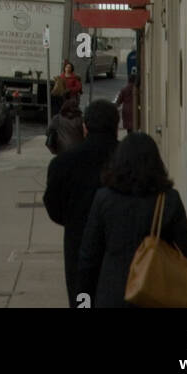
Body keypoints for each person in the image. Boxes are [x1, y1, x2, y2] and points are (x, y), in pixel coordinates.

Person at [75, 131, 187, 308]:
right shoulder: (168, 199)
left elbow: (88, 259)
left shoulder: (103, 199)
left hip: (112, 295)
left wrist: (82, 302)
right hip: (156, 295)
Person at [43, 98, 120, 308]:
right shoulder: (130, 159)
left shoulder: (63, 164)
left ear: (85, 127)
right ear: (116, 126)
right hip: (123, 253)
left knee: (82, 300)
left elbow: (54, 207)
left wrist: (73, 219)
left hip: (79, 246)